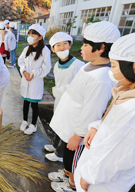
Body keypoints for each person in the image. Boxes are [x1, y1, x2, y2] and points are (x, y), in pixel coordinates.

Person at [74, 32, 135, 192]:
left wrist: (89, 175)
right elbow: (114, 124)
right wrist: (97, 127)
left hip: (101, 183)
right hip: (95, 170)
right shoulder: (133, 91)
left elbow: (118, 155)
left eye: (114, 65)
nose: (111, 70)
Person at [49, 21, 120, 192]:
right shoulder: (90, 65)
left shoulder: (101, 77)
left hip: (77, 129)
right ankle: (66, 175)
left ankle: (72, 185)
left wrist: (79, 135)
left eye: (86, 44)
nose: (81, 47)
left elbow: (92, 110)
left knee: (74, 160)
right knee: (67, 157)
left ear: (101, 48)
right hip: (70, 123)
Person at [44, 32, 85, 163]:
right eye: (58, 45)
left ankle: (60, 154)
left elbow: (80, 86)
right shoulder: (57, 65)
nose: (62, 48)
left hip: (72, 102)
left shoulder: (78, 65)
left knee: (66, 127)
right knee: (58, 122)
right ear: (53, 49)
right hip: (59, 98)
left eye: (65, 44)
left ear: (70, 45)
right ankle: (55, 145)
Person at [18, 24, 51, 135]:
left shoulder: (45, 51)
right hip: (26, 79)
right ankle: (24, 121)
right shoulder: (27, 49)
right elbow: (21, 61)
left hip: (35, 81)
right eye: (29, 34)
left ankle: (33, 125)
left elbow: (46, 68)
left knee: (34, 104)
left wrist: (33, 73)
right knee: (26, 102)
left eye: (33, 34)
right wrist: (25, 72)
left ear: (40, 37)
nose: (30, 36)